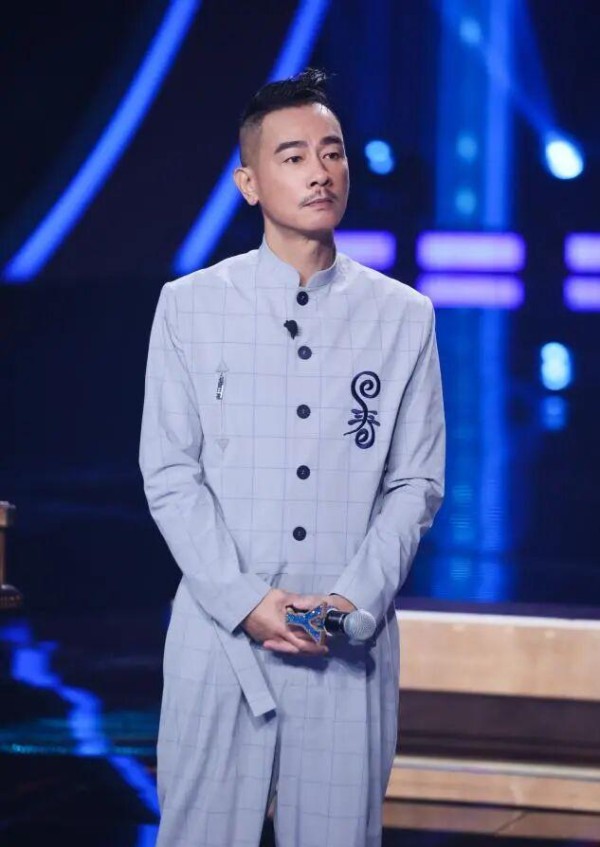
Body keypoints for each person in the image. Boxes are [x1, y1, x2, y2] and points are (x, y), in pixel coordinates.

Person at [139, 68, 445, 847]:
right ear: (248, 182)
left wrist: (350, 599)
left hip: (345, 643)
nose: (320, 171)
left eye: (333, 152)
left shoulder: (403, 315)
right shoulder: (190, 305)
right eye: (295, 155)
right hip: (219, 637)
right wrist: (245, 599)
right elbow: (170, 474)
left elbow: (416, 481)